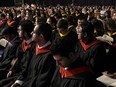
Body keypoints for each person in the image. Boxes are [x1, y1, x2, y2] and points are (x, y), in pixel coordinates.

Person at [11, 23, 56, 87]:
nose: (31, 33)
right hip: (24, 81)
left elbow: (41, 82)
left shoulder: (49, 56)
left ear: (41, 37)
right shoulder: (33, 48)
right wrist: (18, 81)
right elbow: (25, 67)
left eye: (34, 32)